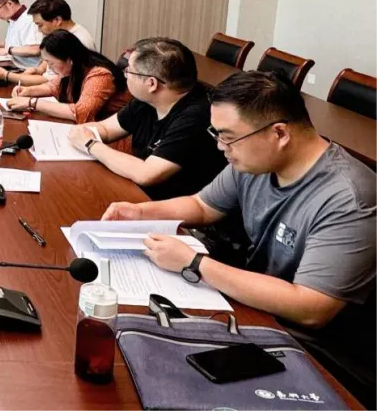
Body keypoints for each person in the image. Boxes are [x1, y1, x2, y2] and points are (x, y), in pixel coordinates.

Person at [101, 71, 377, 407]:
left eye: (228, 137)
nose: (221, 148)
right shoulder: (255, 160)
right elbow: (203, 206)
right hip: (255, 309)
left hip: (315, 350)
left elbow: (311, 308)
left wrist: (195, 263)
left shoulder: (348, 198)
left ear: (279, 133)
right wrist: (141, 212)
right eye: (216, 134)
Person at [67, 37, 226, 200]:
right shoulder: (148, 99)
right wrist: (77, 133)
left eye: (130, 71)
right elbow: (106, 129)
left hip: (171, 205)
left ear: (151, 84)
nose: (125, 74)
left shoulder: (197, 116)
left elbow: (147, 173)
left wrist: (90, 144)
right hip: (141, 191)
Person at [4, 30, 130, 124]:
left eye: (51, 63)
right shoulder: (75, 68)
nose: (49, 67)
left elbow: (81, 113)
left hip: (115, 137)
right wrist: (28, 91)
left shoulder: (100, 75)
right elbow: (53, 86)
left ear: (69, 60)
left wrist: (32, 102)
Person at [0, 0, 96, 84]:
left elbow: (49, 81)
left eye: (40, 25)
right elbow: (48, 61)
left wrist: (6, 75)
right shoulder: (60, 34)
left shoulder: (76, 41)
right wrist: (39, 69)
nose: (39, 31)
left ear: (57, 20)